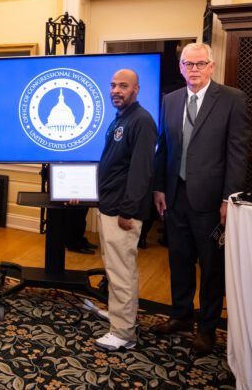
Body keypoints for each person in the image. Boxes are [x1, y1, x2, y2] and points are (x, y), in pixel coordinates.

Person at [153, 42, 251, 356]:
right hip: (175, 196)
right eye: (188, 64)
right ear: (180, 68)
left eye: (200, 64)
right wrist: (159, 188)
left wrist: (228, 199)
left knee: (211, 268)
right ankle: (181, 315)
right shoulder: (170, 100)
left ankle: (207, 330)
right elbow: (164, 147)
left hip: (211, 202)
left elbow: (237, 154)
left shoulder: (232, 99)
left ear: (211, 66)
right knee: (179, 261)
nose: (193, 69)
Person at [92, 69, 157, 351]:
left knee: (122, 272)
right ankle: (120, 316)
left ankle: (123, 334)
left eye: (123, 86)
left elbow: (141, 171)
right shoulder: (121, 118)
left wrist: (127, 211)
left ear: (136, 89)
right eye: (113, 85)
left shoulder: (142, 121)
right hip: (110, 205)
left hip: (123, 210)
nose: (116, 91)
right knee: (114, 267)